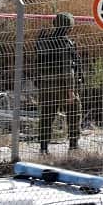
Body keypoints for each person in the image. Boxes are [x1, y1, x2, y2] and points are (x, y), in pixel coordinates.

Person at [34, 12, 82, 153]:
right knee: (74, 111)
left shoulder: (44, 42)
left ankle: (43, 148)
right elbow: (68, 70)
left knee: (46, 116)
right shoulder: (65, 44)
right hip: (62, 86)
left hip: (45, 86)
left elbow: (37, 65)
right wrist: (70, 91)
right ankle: (73, 145)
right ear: (68, 28)